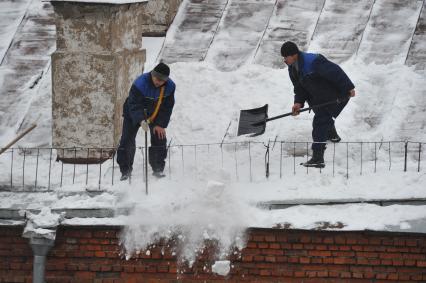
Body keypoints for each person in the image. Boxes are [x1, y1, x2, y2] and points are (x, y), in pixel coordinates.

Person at [281, 41, 356, 168]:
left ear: (293, 55)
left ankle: (318, 158)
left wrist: (349, 88)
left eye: (285, 57)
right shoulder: (293, 69)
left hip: (335, 94)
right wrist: (298, 103)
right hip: (319, 96)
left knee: (320, 122)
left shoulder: (313, 62)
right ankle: (332, 135)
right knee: (323, 117)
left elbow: (335, 72)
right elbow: (299, 88)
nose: (284, 60)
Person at [117, 63, 175, 180]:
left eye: (162, 80)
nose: (158, 82)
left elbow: (167, 107)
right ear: (152, 74)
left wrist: (160, 124)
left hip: (155, 112)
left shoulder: (169, 87)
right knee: (127, 140)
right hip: (133, 113)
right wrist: (140, 120)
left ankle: (158, 168)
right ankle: (126, 170)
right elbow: (134, 104)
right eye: (157, 79)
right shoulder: (140, 84)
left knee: (159, 136)